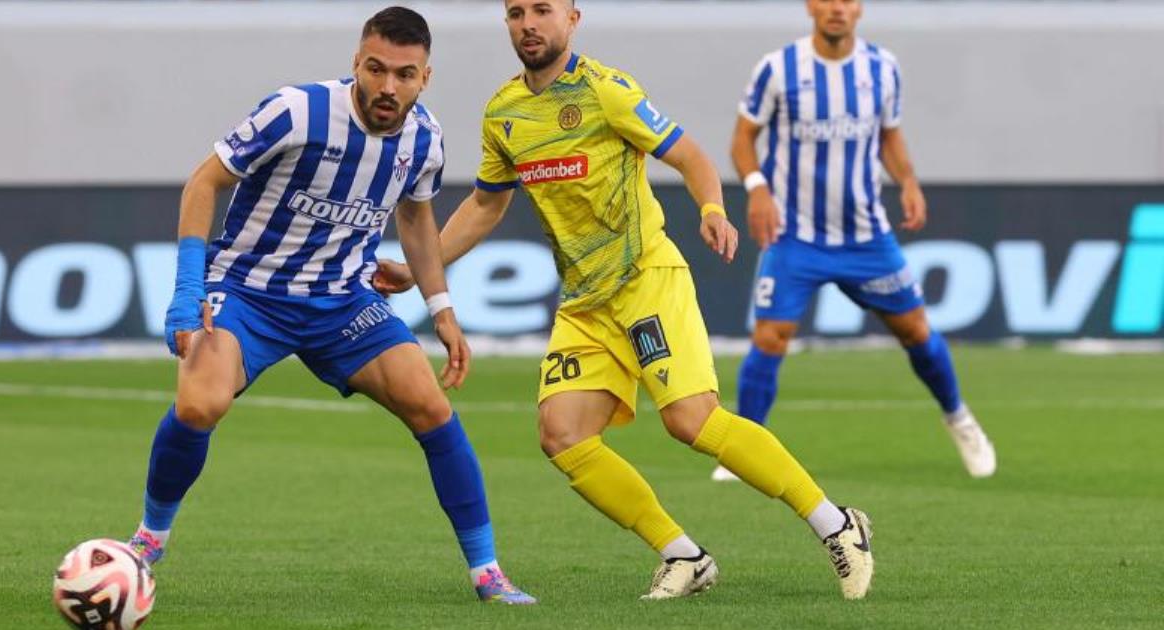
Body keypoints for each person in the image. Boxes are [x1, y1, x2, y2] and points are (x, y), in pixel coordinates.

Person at [379, 0, 874, 601]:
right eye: (516, 12)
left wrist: (712, 208)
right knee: (562, 434)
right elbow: (486, 204)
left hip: (645, 279)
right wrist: (419, 269)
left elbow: (689, 154)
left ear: (572, 19)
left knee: (691, 421)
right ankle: (683, 554)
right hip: (585, 302)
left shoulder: (606, 90)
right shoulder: (504, 112)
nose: (528, 23)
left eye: (542, 10)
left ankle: (836, 524)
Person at [125, 7, 534, 605]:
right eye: (376, 69)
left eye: (404, 74)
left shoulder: (425, 139)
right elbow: (203, 182)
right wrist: (189, 288)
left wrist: (442, 309)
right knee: (199, 403)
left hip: (342, 302)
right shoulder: (297, 111)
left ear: (425, 78)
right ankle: (148, 539)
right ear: (356, 64)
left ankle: (487, 572)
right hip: (247, 291)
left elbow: (416, 219)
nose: (388, 86)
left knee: (430, 405)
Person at [721, 0, 996, 482]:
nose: (837, 9)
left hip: (865, 236)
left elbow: (889, 136)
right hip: (795, 234)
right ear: (811, 6)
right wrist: (757, 188)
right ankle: (745, 450)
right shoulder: (778, 68)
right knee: (770, 336)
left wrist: (907, 180)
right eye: (827, 0)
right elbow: (743, 139)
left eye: (846, 0)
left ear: (859, 9)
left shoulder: (882, 68)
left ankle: (959, 418)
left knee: (915, 331)